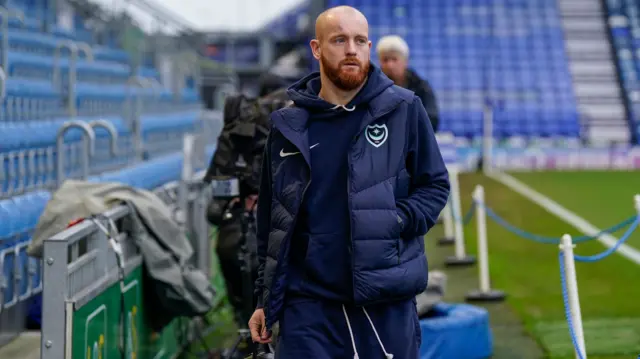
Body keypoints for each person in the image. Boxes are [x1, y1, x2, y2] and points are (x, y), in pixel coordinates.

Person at [249, 5, 450, 359]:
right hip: (308, 305)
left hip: (384, 301)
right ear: (316, 48)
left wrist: (396, 219)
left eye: (360, 41)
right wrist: (264, 299)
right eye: (339, 40)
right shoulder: (287, 125)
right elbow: (271, 221)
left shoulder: (404, 109)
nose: (352, 50)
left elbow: (434, 185)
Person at [376, 35, 440, 132]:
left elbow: (432, 120)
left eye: (394, 59)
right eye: (385, 60)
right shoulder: (371, 86)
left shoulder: (421, 87)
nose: (390, 65)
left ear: (405, 61)